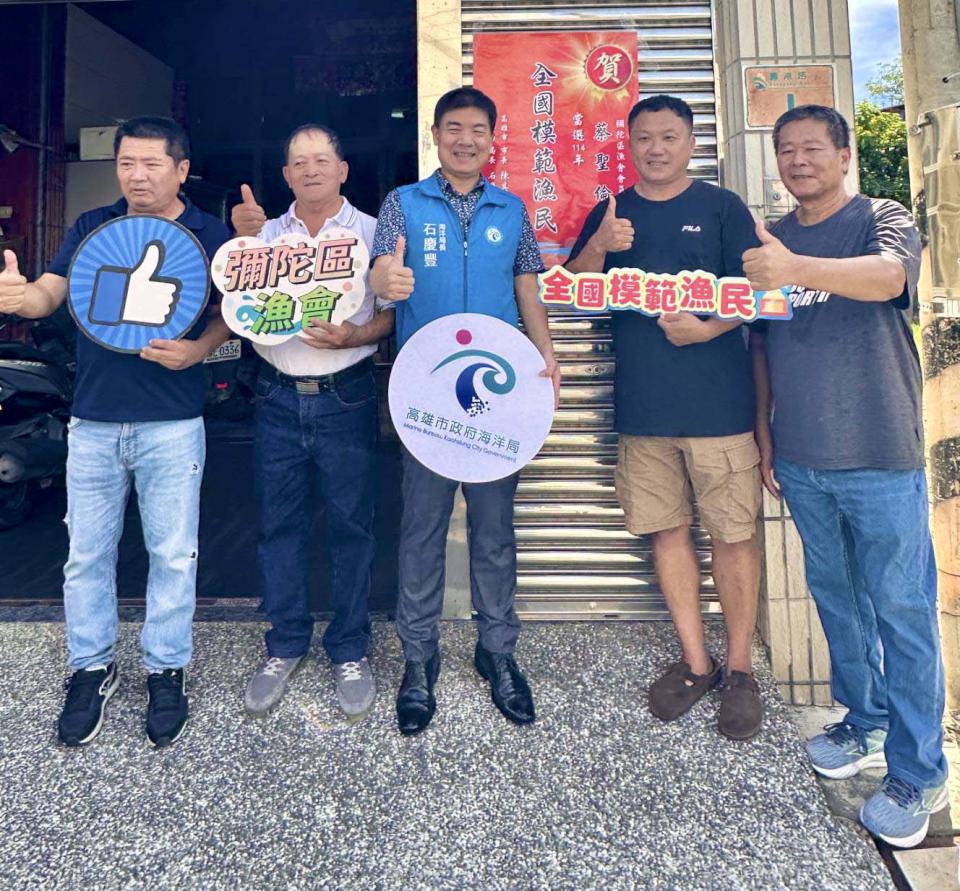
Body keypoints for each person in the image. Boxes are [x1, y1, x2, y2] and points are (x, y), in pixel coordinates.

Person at [745, 104, 947, 848]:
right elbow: (761, 344)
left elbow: (890, 277)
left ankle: (920, 771)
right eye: (786, 151)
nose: (798, 161)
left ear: (843, 154)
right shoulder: (772, 239)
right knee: (838, 599)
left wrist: (796, 269)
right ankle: (864, 720)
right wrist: (766, 436)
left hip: (881, 452)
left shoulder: (879, 218)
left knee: (903, 608)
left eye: (811, 149)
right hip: (803, 457)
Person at [0, 116, 232, 748]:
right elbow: (49, 294)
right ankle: (90, 668)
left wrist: (198, 350)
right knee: (86, 554)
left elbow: (231, 313)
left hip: (173, 422)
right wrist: (20, 297)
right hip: (94, 420)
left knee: (173, 553)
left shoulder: (210, 235)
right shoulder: (91, 226)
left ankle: (166, 669)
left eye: (151, 164)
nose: (137, 176)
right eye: (127, 163)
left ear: (182, 170)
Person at [567, 94, 764, 740]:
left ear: (691, 142)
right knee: (667, 532)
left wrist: (706, 329)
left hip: (720, 409)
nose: (655, 148)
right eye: (644, 138)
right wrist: (600, 245)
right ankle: (696, 661)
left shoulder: (721, 207)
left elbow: (760, 291)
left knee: (732, 536)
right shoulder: (611, 212)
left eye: (668, 137)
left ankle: (740, 670)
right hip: (644, 411)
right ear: (629, 144)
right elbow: (575, 292)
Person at [370, 87, 560, 736]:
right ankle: (417, 658)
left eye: (478, 129)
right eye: (453, 128)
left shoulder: (512, 207)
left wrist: (546, 354)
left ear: (492, 138)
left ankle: (497, 651)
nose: (465, 140)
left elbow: (526, 284)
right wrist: (385, 283)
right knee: (421, 529)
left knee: (494, 530)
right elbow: (382, 271)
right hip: (426, 396)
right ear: (435, 134)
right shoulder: (402, 203)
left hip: (497, 399)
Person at [230, 124, 394, 719]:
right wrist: (239, 242)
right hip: (275, 396)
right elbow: (235, 305)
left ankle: (349, 648)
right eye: (299, 162)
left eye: (322, 160)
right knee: (279, 525)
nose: (311, 170)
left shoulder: (373, 232)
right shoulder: (264, 236)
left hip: (346, 395)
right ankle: (285, 642)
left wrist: (355, 335)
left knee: (353, 525)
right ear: (286, 175)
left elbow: (392, 316)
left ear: (342, 170)